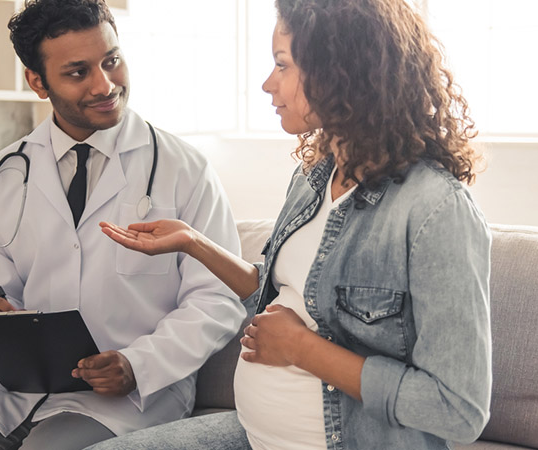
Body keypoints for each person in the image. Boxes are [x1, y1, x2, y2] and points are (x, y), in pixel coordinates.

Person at [90, 0, 492, 449]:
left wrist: (302, 350)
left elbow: (457, 409)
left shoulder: (435, 210)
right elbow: (290, 295)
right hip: (254, 433)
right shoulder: (314, 176)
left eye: (282, 65)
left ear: (340, 72)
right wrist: (194, 244)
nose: (267, 83)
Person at [0, 0, 246, 449]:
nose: (105, 84)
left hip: (133, 392)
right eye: (78, 72)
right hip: (9, 389)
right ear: (37, 82)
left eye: (112, 61)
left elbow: (217, 298)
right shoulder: (1, 175)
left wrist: (138, 364)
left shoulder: (185, 170)